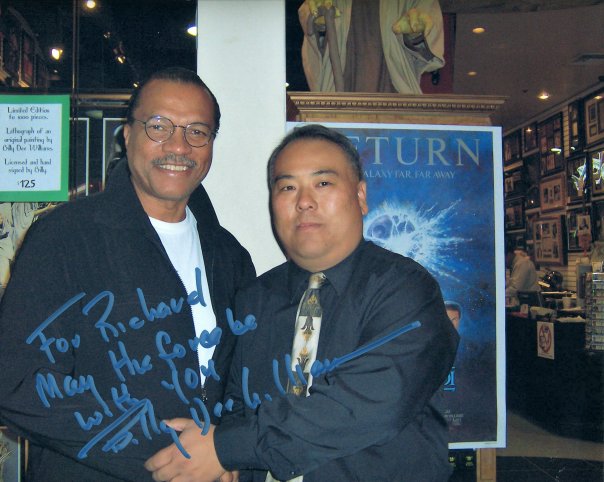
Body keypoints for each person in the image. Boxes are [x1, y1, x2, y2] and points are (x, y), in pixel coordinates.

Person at [145, 124, 459, 481]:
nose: (304, 201)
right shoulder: (254, 299)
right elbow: (234, 400)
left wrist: (225, 448)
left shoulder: (406, 290)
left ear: (360, 196)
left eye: (323, 183)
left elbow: (363, 404)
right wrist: (227, 461)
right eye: (288, 187)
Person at [0, 67, 255, 481]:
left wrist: (231, 455)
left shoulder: (231, 257)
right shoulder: (64, 237)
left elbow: (244, 381)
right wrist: (166, 455)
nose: (178, 146)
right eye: (159, 126)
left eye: (197, 131)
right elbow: (18, 382)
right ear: (127, 134)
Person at [299, 0, 445, 93]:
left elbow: (429, 53)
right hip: (340, 96)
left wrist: (415, 34)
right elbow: (313, 28)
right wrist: (318, 22)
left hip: (395, 97)